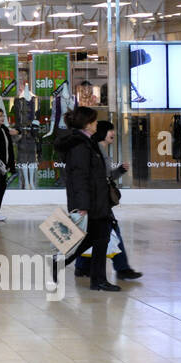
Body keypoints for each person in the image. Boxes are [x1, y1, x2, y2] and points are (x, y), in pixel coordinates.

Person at [54, 106, 120, 292]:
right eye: (94, 121)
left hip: (98, 200)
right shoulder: (80, 145)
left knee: (97, 239)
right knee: (96, 239)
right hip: (90, 202)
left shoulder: (88, 141)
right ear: (87, 124)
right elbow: (79, 176)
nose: (97, 124)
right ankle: (95, 278)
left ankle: (96, 278)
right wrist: (82, 206)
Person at [74, 121, 142, 281]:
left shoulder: (100, 149)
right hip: (97, 200)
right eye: (110, 130)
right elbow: (96, 177)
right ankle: (122, 268)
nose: (113, 133)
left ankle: (82, 266)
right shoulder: (95, 149)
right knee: (111, 232)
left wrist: (119, 171)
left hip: (98, 199)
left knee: (95, 233)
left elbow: (105, 176)